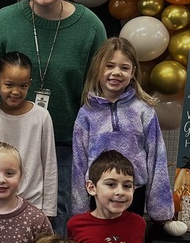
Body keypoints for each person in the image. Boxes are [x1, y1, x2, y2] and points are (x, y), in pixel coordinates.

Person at [0, 0, 107, 236]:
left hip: (66, 142)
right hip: (8, 139)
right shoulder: (3, 22)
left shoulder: (90, 27)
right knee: (2, 213)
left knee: (59, 214)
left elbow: (99, 88)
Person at [71, 37, 173, 222]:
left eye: (124, 68)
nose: (116, 72)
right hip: (98, 195)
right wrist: (79, 211)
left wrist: (160, 207)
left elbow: (157, 157)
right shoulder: (86, 113)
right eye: (109, 66)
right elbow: (79, 162)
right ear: (98, 68)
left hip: (133, 194)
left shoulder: (143, 110)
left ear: (133, 72)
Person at [0, 51, 58, 224]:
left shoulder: (41, 116)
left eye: (23, 86)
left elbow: (50, 165)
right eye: (9, 85)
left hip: (35, 205)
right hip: (0, 204)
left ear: (29, 84)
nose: (15, 92)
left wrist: (48, 210)